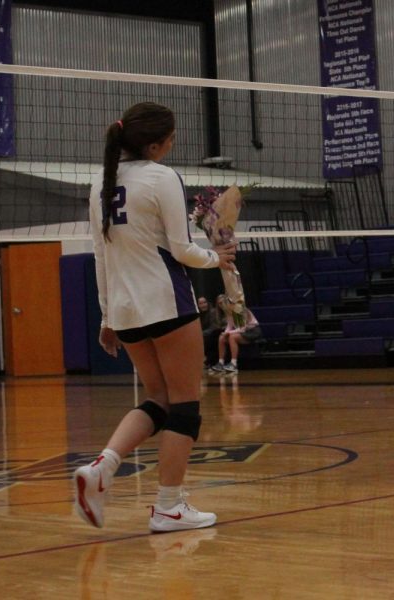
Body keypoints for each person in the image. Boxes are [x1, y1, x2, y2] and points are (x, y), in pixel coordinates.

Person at [75, 102, 236, 531]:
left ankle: (102, 467)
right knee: (185, 406)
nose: (173, 144)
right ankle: (169, 506)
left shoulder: (99, 185)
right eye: (171, 138)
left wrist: (107, 316)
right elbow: (182, 250)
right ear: (154, 144)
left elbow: (99, 256)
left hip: (126, 311)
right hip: (165, 301)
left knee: (158, 401)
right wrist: (215, 258)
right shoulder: (162, 177)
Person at [211, 304, 261, 374]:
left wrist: (228, 333)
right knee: (221, 337)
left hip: (252, 331)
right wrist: (225, 333)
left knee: (232, 337)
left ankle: (233, 364)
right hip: (240, 331)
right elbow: (229, 326)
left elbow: (242, 329)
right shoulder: (229, 312)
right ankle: (220, 363)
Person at [198, 295, 224, 369]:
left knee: (208, 339)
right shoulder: (198, 315)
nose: (203, 305)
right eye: (201, 303)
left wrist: (201, 334)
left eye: (204, 302)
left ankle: (207, 361)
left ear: (208, 303)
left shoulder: (213, 312)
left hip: (213, 333)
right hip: (205, 335)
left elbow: (214, 327)